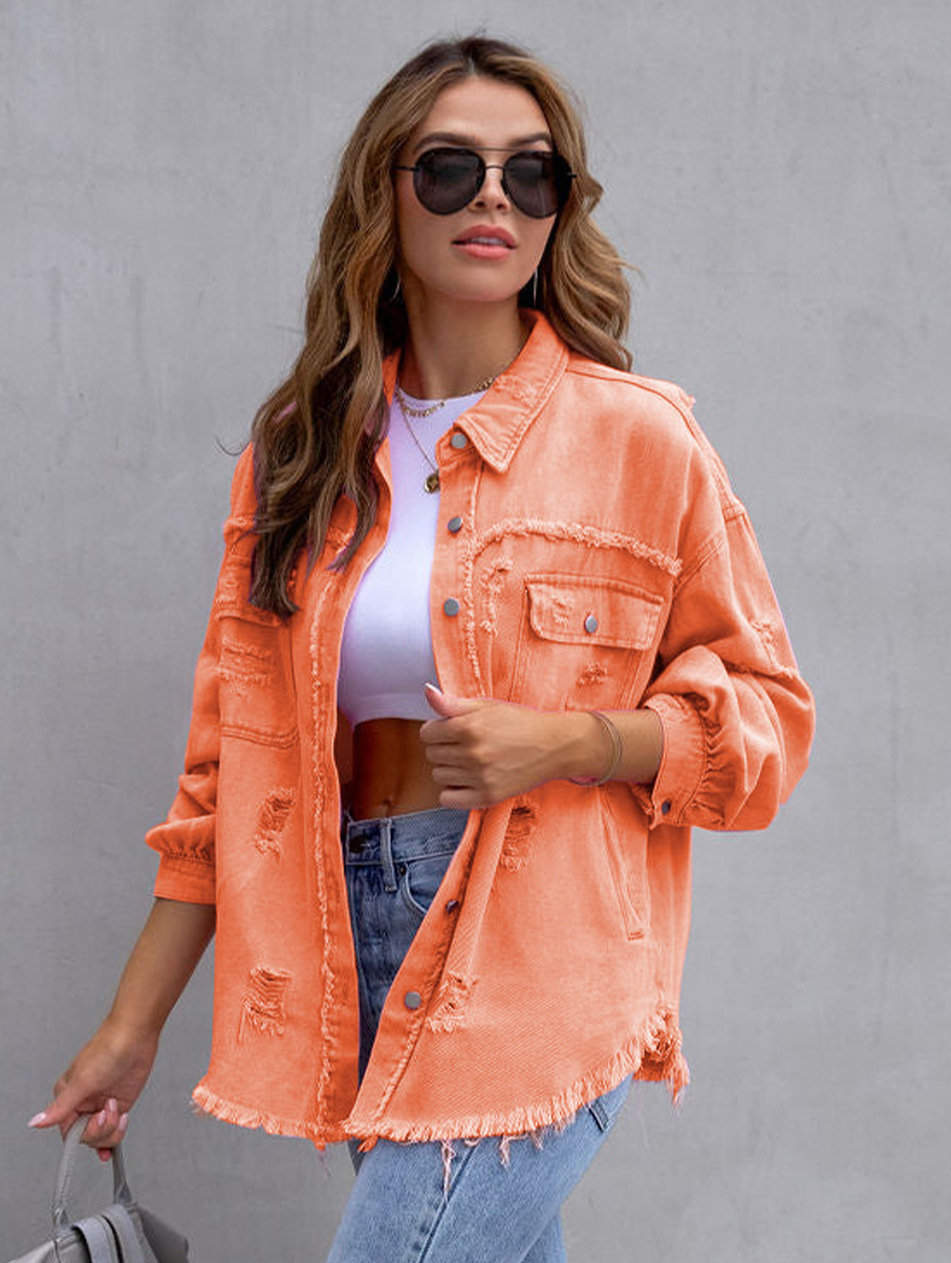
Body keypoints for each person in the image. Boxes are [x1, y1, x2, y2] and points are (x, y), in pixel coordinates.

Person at [30, 35, 815, 1262]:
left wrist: (576, 741)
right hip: (357, 934)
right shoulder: (301, 452)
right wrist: (133, 1028)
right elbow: (227, 779)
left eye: (530, 174)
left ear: (558, 209)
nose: (493, 198)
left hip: (543, 956)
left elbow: (768, 726)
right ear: (384, 195)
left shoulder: (642, 441)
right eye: (451, 168)